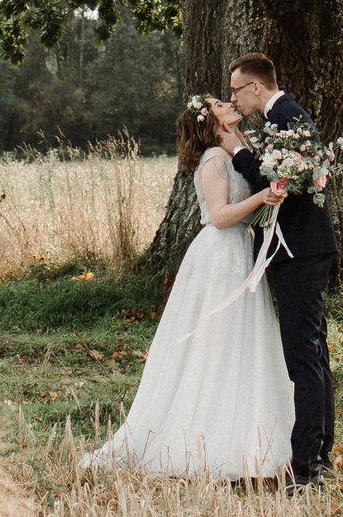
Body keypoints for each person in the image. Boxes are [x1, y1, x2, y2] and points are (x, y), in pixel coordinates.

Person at [80, 95, 294, 479]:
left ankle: (246, 430)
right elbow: (218, 216)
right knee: (216, 340)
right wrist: (263, 196)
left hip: (239, 252)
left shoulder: (234, 151)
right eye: (218, 104)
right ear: (209, 122)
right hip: (220, 256)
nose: (229, 103)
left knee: (241, 340)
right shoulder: (214, 158)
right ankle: (203, 436)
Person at [226, 51, 337, 491]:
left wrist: (236, 150)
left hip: (301, 252)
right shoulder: (283, 117)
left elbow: (271, 178)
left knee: (303, 357)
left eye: (237, 89)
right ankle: (319, 454)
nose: (234, 98)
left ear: (256, 86)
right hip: (301, 251)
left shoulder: (287, 115)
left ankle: (307, 467)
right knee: (313, 353)